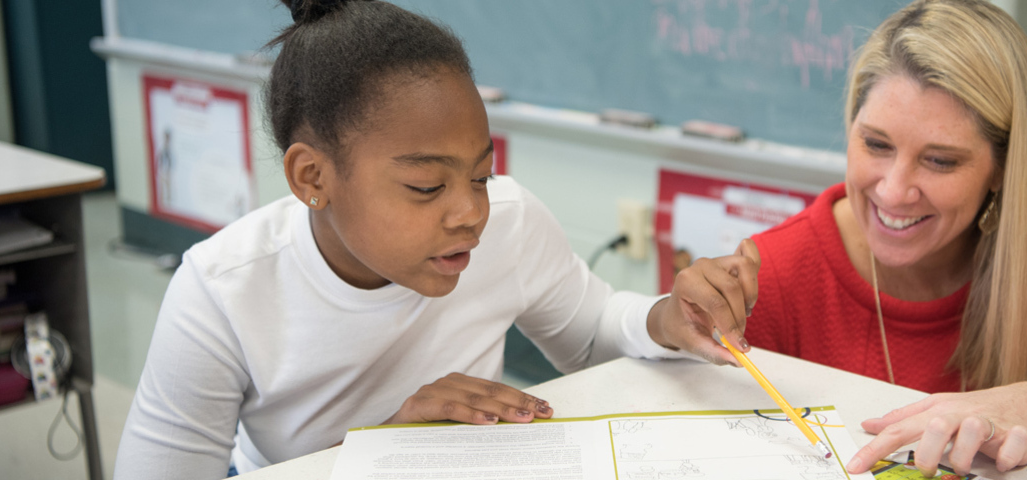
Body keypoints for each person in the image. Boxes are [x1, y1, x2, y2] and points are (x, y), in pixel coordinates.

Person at [112, 1, 756, 478]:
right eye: (426, 187)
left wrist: (666, 318)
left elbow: (590, 335)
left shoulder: (509, 222)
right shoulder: (223, 289)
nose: (470, 212)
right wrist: (385, 450)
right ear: (313, 176)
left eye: (482, 173)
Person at [733, 0, 1027, 477]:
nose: (893, 190)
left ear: (1003, 168)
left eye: (940, 161)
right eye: (876, 144)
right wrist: (660, 326)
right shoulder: (778, 266)